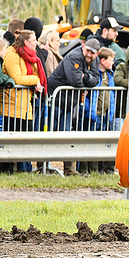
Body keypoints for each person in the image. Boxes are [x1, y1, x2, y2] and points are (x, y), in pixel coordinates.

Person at [48, 37, 100, 175]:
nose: (89, 55)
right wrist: (85, 80)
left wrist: (85, 77)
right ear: (83, 47)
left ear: (97, 54)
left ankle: (69, 170)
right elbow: (75, 81)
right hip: (56, 99)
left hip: (70, 103)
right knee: (48, 134)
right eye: (88, 51)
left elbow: (95, 80)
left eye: (92, 53)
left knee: (67, 135)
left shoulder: (94, 60)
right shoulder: (73, 57)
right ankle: (43, 167)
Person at [0, 29, 46, 173]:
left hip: (25, 105)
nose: (36, 43)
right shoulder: (12, 56)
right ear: (26, 42)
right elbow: (17, 78)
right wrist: (35, 80)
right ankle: (6, 170)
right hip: (12, 104)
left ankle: (23, 169)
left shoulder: (30, 57)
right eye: (34, 40)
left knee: (24, 140)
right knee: (11, 140)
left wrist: (35, 83)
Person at [79, 47, 116, 174]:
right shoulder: (94, 74)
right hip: (94, 114)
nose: (113, 63)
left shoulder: (110, 75)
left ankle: (98, 170)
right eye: (111, 60)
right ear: (103, 60)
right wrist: (89, 109)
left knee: (101, 142)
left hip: (105, 114)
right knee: (90, 142)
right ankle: (87, 170)